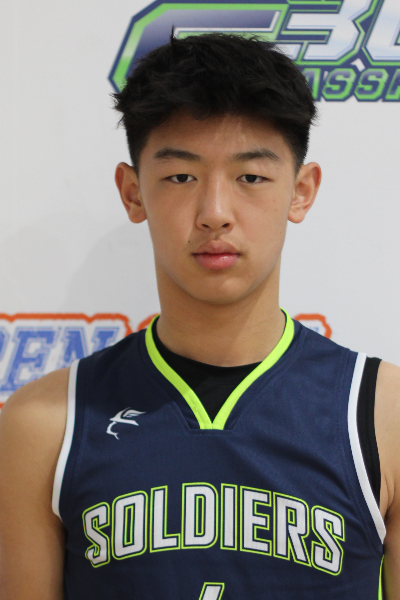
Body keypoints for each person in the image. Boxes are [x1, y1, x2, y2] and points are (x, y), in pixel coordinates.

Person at [0, 33, 399, 600]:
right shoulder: (45, 425)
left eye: (250, 177)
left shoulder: (384, 415)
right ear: (133, 192)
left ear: (301, 191)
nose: (215, 213)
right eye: (181, 177)